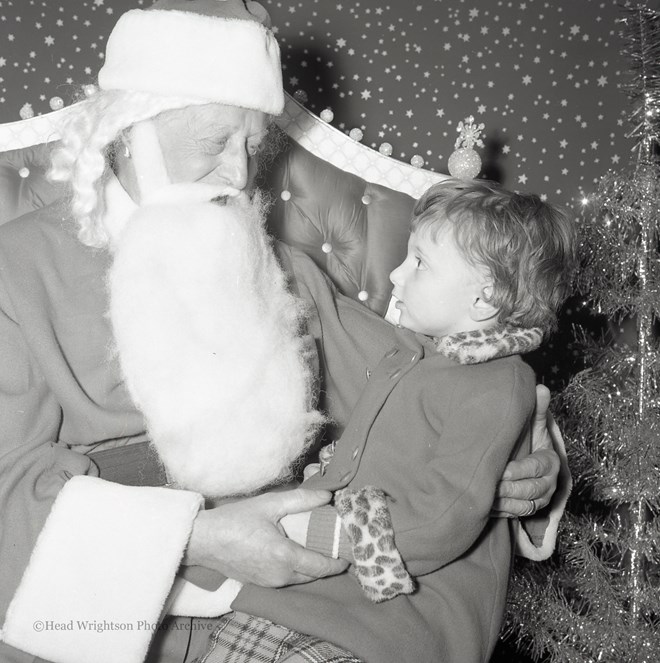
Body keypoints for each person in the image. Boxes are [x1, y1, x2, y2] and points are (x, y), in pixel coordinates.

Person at [0, 2, 564, 663]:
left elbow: (424, 377)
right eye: (214, 143)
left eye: (252, 146)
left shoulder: (277, 268)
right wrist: (193, 538)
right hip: (98, 629)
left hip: (293, 611)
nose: (240, 176)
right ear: (128, 128)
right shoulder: (17, 272)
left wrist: (522, 454)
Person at [198, 179, 577, 663]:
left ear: (485, 299)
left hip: (401, 621)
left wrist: (314, 528)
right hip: (324, 593)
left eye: (419, 263)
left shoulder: (497, 384)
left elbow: (440, 519)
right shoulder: (412, 356)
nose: (396, 276)